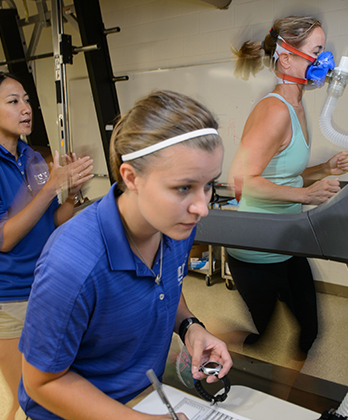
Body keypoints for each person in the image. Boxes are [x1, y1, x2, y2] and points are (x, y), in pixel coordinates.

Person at [18, 90, 232, 420]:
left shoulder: (175, 227)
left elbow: (163, 285)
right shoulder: (72, 264)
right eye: (183, 188)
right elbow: (41, 383)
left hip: (143, 400)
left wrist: (190, 326)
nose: (202, 207)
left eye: (208, 185)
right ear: (131, 177)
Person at [0, 71, 94, 420]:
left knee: (55, 391)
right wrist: (51, 186)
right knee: (27, 399)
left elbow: (52, 223)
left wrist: (71, 193)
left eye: (26, 99)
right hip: (7, 296)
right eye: (13, 101)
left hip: (46, 287)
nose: (26, 108)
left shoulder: (30, 158)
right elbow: (2, 237)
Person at [225, 16, 348, 367]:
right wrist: (306, 196)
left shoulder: (297, 105)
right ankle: (200, 343)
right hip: (256, 248)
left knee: (308, 331)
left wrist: (323, 170)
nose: (323, 60)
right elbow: (243, 180)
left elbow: (285, 174)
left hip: (286, 240)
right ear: (287, 57)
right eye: (316, 51)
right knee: (262, 336)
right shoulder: (274, 111)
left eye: (323, 50)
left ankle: (295, 396)